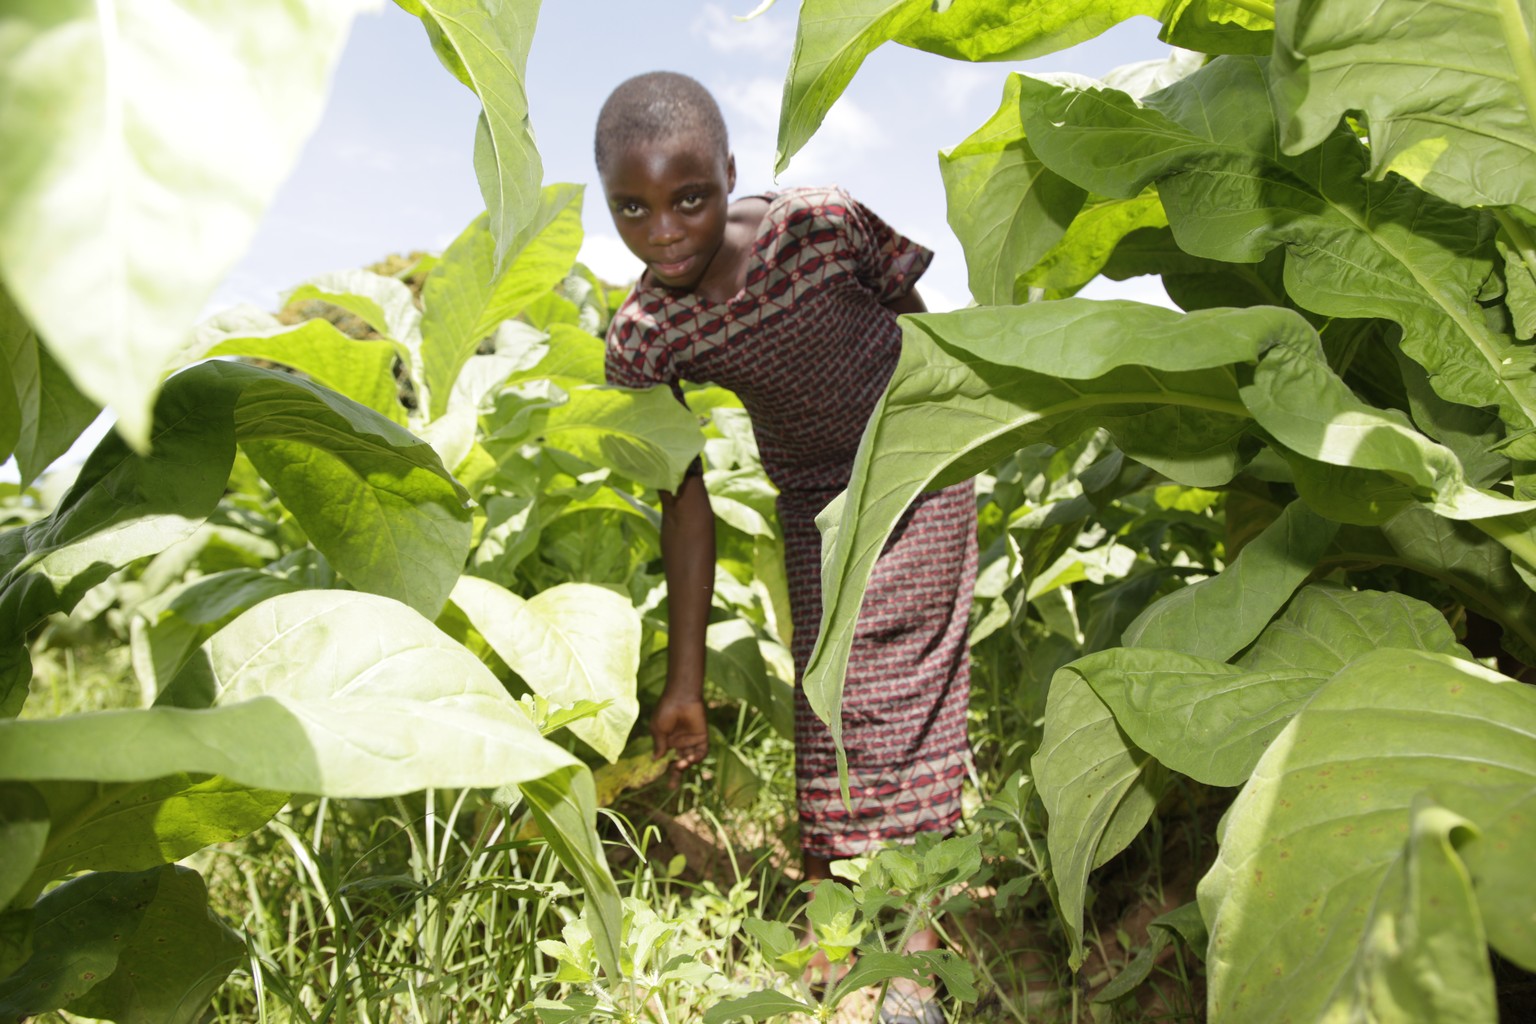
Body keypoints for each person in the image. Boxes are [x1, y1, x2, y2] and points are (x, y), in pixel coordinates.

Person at [596, 71, 976, 1023]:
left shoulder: (819, 223)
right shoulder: (646, 336)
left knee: (895, 691)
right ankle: (825, 923)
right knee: (825, 696)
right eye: (632, 210)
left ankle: (910, 964)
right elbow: (682, 504)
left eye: (690, 197)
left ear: (729, 172)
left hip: (918, 459)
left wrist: (960, 427)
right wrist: (684, 683)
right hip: (811, 499)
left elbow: (915, 315)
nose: (667, 231)